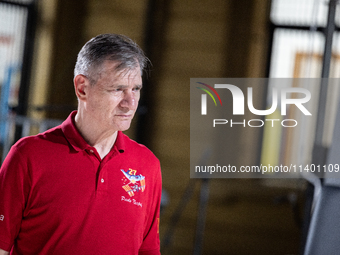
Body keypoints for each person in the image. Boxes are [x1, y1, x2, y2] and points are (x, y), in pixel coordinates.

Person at [0, 34, 162, 255]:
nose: (130, 103)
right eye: (118, 89)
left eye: (136, 89)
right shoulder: (28, 156)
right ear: (82, 88)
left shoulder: (147, 165)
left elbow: (148, 250)